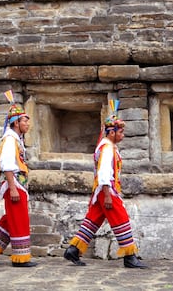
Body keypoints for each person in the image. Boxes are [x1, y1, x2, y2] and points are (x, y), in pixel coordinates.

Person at [63, 99, 147, 269]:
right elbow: (103, 173)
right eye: (120, 132)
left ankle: (74, 249)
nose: (123, 135)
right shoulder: (107, 148)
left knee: (93, 220)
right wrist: (108, 194)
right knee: (121, 219)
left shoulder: (106, 146)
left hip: (103, 189)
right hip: (107, 189)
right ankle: (129, 256)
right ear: (111, 132)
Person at [0, 91, 36, 267]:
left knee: (12, 217)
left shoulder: (16, 139)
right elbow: (6, 164)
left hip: (18, 183)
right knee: (19, 219)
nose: (27, 123)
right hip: (14, 184)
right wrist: (12, 187)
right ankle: (20, 258)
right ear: (16, 123)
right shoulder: (10, 140)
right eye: (25, 121)